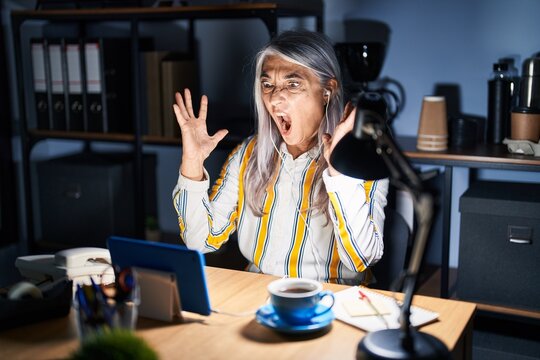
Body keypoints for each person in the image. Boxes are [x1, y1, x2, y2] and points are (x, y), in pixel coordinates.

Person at [172, 30, 388, 284]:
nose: (274, 98)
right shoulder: (248, 154)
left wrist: (339, 174)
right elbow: (200, 240)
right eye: (267, 85)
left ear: (327, 90)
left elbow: (360, 260)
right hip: (259, 298)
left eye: (293, 83)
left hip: (334, 304)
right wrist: (192, 163)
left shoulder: (362, 155)